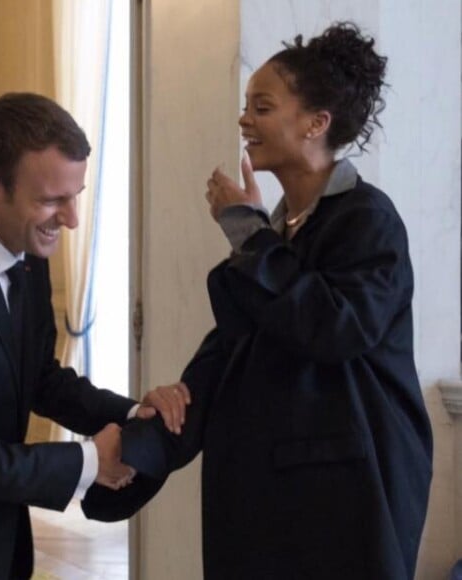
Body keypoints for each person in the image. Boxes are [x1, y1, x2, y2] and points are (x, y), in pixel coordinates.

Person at [81, 22, 433, 580]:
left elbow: (333, 327)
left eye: (262, 107)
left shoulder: (368, 218)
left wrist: (245, 228)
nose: (245, 120)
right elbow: (233, 347)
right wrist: (149, 436)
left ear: (317, 123)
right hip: (268, 490)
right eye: (247, 106)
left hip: (342, 498)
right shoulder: (278, 230)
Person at [0, 92, 189, 580]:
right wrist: (90, 461)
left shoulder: (27, 252)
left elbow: (40, 378)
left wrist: (135, 414)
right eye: (51, 200)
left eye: (76, 197)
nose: (70, 220)